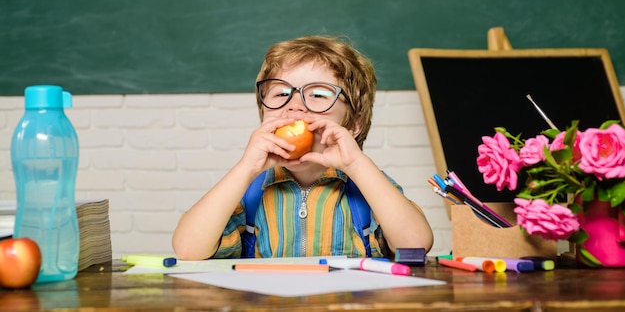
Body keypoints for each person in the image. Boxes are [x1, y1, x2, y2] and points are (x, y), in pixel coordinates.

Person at [172, 35, 433, 260]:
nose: (295, 105)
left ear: (353, 123)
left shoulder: (369, 186)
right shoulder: (248, 191)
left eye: (318, 94)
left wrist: (355, 164)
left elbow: (416, 246)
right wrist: (246, 168)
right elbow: (188, 249)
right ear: (264, 113)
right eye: (281, 94)